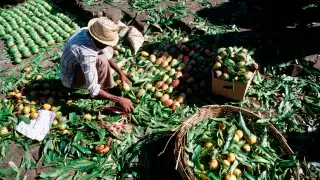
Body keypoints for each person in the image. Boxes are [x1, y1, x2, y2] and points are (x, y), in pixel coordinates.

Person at [59, 17, 134, 112]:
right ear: (99, 41)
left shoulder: (87, 32)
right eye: (106, 43)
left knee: (103, 56)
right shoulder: (87, 53)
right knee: (101, 60)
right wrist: (119, 99)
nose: (108, 45)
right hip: (70, 79)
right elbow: (93, 89)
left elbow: (106, 54)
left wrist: (121, 74)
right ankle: (101, 90)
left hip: (75, 66)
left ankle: (104, 87)